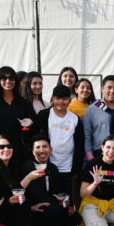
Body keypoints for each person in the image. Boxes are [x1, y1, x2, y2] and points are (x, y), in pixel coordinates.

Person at [18, 134, 82, 226]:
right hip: (31, 205)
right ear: (32, 151)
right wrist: (36, 205)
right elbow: (35, 192)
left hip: (48, 203)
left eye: (45, 146)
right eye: (37, 147)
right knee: (51, 209)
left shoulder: (52, 168)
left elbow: (57, 191)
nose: (41, 150)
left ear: (51, 150)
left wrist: (65, 203)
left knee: (74, 216)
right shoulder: (28, 167)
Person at [36, 85, 85, 213]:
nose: (61, 102)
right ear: (52, 98)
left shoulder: (74, 118)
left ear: (70, 100)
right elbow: (36, 138)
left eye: (64, 99)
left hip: (67, 165)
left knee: (66, 196)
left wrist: (76, 168)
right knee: (46, 195)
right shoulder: (44, 115)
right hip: (47, 164)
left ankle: (65, 223)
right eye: (57, 98)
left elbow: (80, 145)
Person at [0, 66, 37, 155]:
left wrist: (30, 122)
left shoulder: (23, 102)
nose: (8, 81)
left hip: (19, 148)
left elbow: (33, 121)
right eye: (4, 78)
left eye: (11, 78)